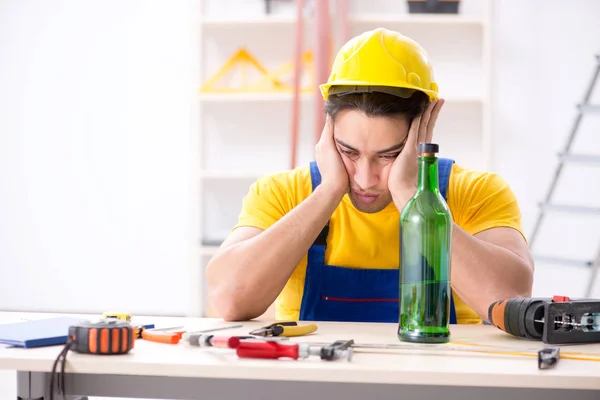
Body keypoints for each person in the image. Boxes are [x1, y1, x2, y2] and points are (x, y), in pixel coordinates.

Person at [206, 27, 534, 324]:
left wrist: (412, 194)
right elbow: (230, 301)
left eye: (388, 155)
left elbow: (509, 300)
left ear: (423, 131)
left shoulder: (474, 192)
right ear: (328, 129)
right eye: (348, 153)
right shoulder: (285, 193)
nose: (365, 179)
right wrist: (328, 192)